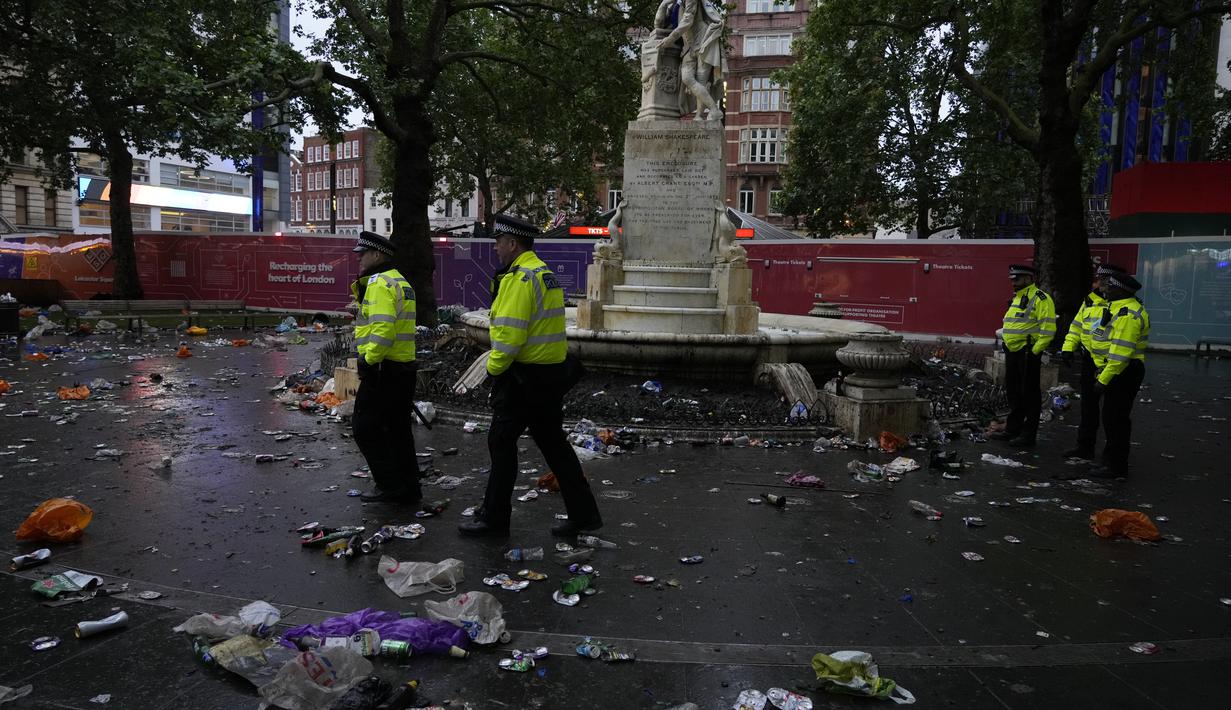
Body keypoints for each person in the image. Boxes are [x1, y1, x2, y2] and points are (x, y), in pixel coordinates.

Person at [459, 215, 602, 537]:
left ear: (512, 243)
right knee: (554, 446)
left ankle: (494, 518)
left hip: (523, 380)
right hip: (549, 376)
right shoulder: (543, 273)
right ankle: (584, 514)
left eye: (498, 242)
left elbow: (509, 337)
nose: (495, 248)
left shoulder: (519, 278)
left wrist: (491, 370)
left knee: (501, 443)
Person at [349, 231, 420, 504]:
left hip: (383, 370)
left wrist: (368, 360)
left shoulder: (379, 283)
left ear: (377, 255)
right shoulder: (401, 281)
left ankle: (389, 484)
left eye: (362, 254)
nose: (359, 259)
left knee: (364, 427)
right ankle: (409, 485)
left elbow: (382, 329)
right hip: (403, 368)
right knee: (398, 429)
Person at [1058, 263, 1126, 458]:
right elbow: (1077, 326)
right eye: (1100, 279)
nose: (1100, 283)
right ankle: (1084, 447)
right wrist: (1068, 348)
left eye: (1105, 280)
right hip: (1090, 359)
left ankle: (1112, 456)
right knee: (1088, 408)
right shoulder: (1090, 300)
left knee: (1113, 414)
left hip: (1113, 364)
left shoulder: (1121, 303)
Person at [1088, 272, 1150, 478]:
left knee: (1116, 420)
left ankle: (1116, 466)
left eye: (1110, 288)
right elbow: (1100, 337)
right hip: (1116, 369)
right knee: (1111, 418)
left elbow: (1120, 353)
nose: (1105, 290)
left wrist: (1103, 380)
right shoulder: (1115, 309)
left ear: (1122, 290)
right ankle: (1110, 461)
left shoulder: (1127, 314)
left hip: (1123, 371)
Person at [991, 264, 1056, 446]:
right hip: (1013, 351)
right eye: (1012, 279)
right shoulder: (1018, 298)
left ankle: (1028, 436)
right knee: (1014, 393)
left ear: (1028, 279)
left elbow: (1048, 329)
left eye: (1017, 279)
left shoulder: (1041, 299)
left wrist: (1035, 351)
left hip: (1028, 352)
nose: (1013, 283)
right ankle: (1013, 430)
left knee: (1029, 394)